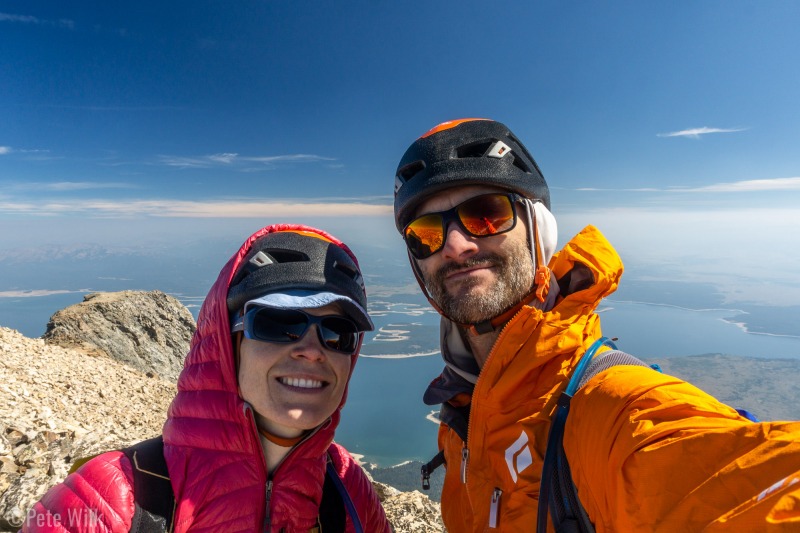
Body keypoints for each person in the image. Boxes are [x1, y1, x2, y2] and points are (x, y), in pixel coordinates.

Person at [393, 118, 800, 531]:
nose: (457, 246)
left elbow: (739, 486)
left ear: (539, 230)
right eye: (426, 234)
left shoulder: (609, 409)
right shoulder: (465, 404)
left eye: (486, 214)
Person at [23, 224, 392, 532]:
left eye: (338, 332)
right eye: (280, 324)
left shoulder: (346, 489)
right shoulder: (106, 503)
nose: (312, 349)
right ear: (225, 345)